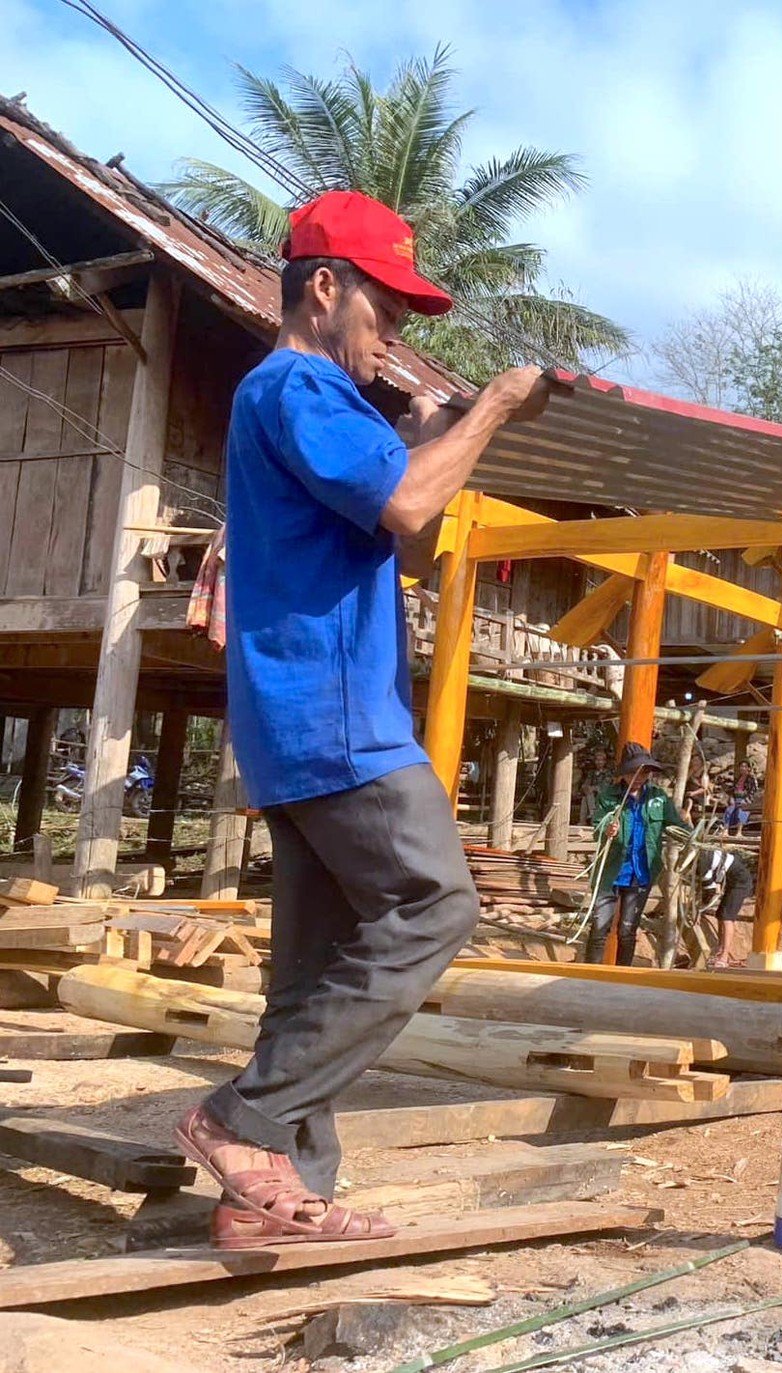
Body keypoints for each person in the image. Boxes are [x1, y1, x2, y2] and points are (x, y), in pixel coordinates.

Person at [174, 190, 550, 1248]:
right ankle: (237, 1119)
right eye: (387, 308)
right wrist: (490, 410)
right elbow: (406, 507)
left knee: (314, 972)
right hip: (339, 715)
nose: (396, 332)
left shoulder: (302, 402)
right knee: (435, 905)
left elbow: (394, 518)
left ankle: (271, 1197)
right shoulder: (302, 382)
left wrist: (428, 434)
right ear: (324, 289)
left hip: (292, 720)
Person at [584, 744, 683, 966]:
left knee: (628, 930)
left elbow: (677, 825)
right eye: (632, 772)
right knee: (600, 926)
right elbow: (598, 825)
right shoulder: (609, 796)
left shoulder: (658, 798)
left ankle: (623, 978)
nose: (638, 778)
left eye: (644, 772)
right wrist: (608, 829)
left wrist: (694, 837)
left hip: (642, 873)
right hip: (610, 871)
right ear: (624, 774)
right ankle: (589, 977)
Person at [704, 846, 756, 969]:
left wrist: (703, 902)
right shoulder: (703, 855)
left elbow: (709, 888)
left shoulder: (703, 863)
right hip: (732, 881)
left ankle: (724, 956)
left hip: (741, 883)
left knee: (727, 917)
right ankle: (720, 949)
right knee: (720, 914)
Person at [723, 765, 756, 836]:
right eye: (741, 766)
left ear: (748, 768)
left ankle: (739, 832)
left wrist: (746, 799)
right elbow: (732, 790)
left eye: (745, 766)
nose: (742, 768)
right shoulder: (738, 779)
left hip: (745, 800)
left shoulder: (751, 779)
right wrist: (731, 798)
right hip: (736, 799)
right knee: (729, 810)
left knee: (742, 811)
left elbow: (752, 791)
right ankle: (726, 830)